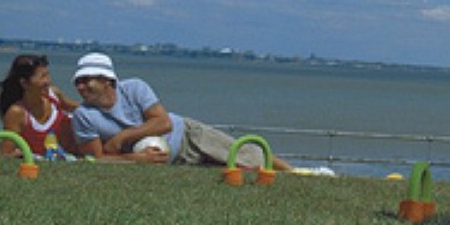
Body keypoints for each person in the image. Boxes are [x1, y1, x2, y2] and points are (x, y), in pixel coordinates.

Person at [70, 52, 293, 170]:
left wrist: (122, 137)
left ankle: (295, 172)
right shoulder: (84, 116)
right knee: (233, 168)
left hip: (187, 135)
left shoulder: (134, 88)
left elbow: (163, 123)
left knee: (246, 154)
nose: (80, 87)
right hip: (171, 160)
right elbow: (95, 159)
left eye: (86, 81)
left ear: (106, 80)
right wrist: (138, 159)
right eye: (77, 82)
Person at [0, 54, 79, 157]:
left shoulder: (54, 95)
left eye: (47, 75)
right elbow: (5, 154)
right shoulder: (16, 113)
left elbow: (77, 108)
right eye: (42, 77)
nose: (48, 81)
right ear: (25, 83)